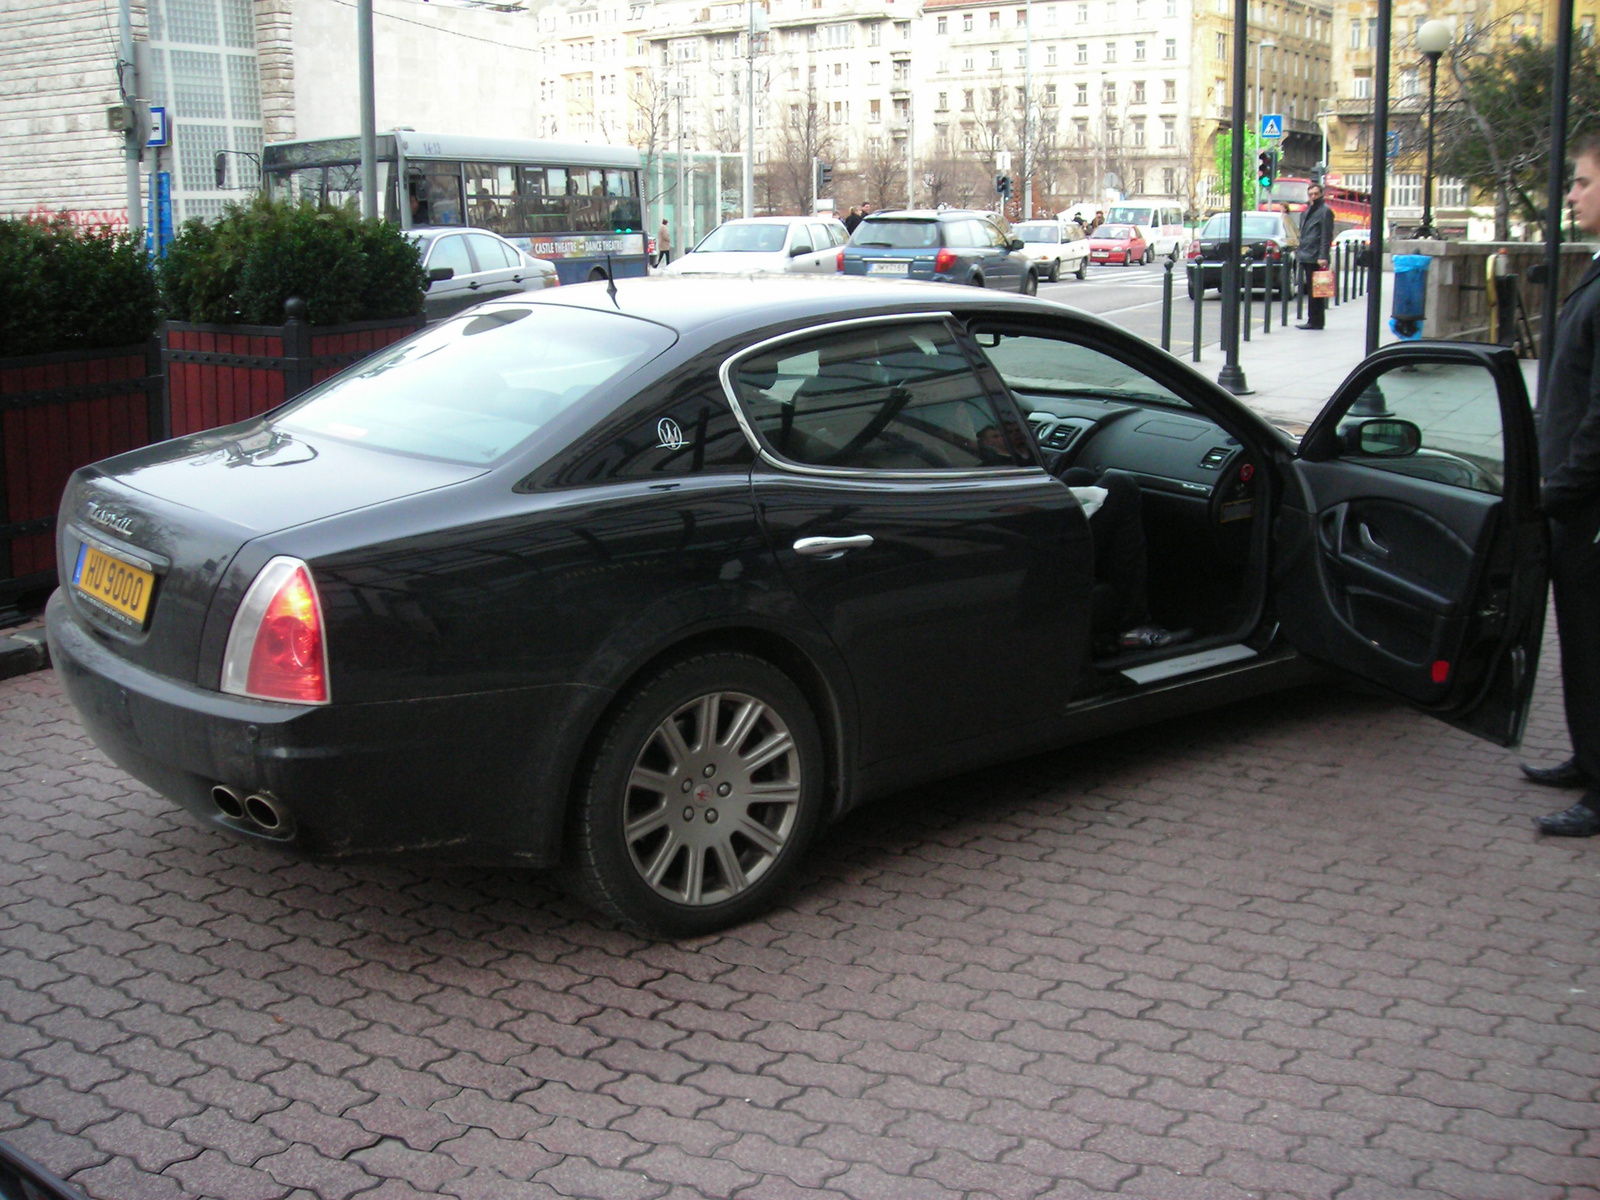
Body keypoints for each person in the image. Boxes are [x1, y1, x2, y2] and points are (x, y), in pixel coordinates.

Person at [1524, 131, 1600, 837]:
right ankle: (1587, 755)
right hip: (1579, 502)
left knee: (1593, 642)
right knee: (1577, 640)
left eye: (1580, 182)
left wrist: (1561, 490)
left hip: (1589, 508)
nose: (1570, 194)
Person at [1295, 182, 1334, 330]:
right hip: (1306, 253)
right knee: (1312, 290)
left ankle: (1316, 321)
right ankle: (1313, 319)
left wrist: (1323, 255)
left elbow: (1326, 235)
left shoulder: (1325, 211)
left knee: (1317, 290)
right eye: (1311, 194)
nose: (1313, 196)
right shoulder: (1307, 211)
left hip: (1316, 255)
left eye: (1316, 194)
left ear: (1321, 194)